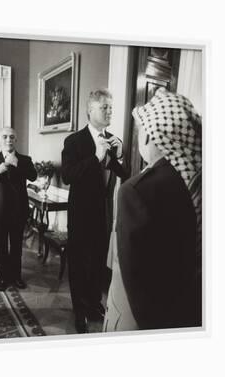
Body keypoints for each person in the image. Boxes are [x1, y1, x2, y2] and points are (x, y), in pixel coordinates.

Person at [104, 88, 202, 331]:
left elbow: (136, 284)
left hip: (136, 320)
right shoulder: (195, 183)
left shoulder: (135, 191)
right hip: (185, 314)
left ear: (149, 136)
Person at [61, 89, 129, 333]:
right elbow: (67, 175)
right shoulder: (74, 141)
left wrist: (119, 155)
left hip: (104, 214)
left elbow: (125, 174)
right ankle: (79, 311)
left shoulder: (113, 139)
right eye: (105, 107)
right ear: (90, 110)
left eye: (111, 107)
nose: (110, 111)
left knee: (98, 263)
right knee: (79, 264)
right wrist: (96, 156)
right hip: (80, 215)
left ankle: (93, 303)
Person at [0, 127, 37, 291]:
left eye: (12, 137)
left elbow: (33, 176)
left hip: (18, 211)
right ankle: (3, 278)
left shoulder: (24, 159)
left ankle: (16, 276)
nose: (8, 140)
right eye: (5, 137)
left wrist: (18, 165)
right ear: (0, 139)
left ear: (16, 139)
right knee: (1, 247)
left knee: (17, 246)